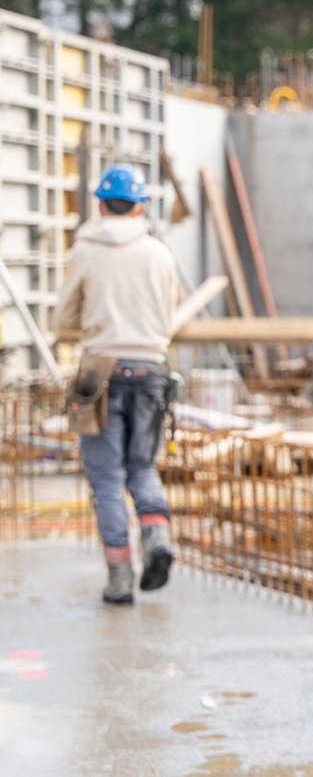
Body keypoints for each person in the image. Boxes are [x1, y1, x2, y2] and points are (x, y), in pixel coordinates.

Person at [57, 164, 180, 605]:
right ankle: (158, 539)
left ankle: (120, 578)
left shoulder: (85, 250)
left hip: (98, 371)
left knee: (107, 478)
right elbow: (168, 317)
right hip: (150, 367)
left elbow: (64, 318)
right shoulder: (160, 254)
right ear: (141, 206)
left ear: (99, 204)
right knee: (142, 466)